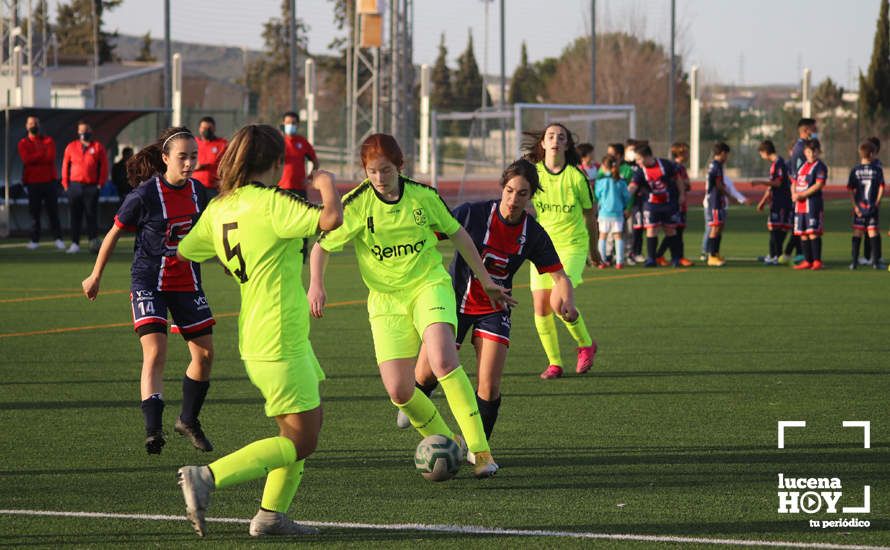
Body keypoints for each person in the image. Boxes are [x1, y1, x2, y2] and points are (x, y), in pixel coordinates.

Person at [308, 133, 513, 478]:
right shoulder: (357, 204)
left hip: (427, 287)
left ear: (400, 167)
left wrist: (485, 279)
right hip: (386, 302)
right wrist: (317, 284)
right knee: (400, 391)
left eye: (385, 170)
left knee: (444, 360)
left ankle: (481, 453)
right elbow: (321, 247)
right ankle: (451, 443)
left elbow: (458, 233)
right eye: (371, 172)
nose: (378, 178)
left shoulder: (423, 197)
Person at [176, 124, 342, 538]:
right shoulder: (270, 203)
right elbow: (331, 219)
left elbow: (187, 249)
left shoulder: (220, 208)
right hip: (279, 334)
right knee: (302, 441)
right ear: (275, 163)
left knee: (307, 422)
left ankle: (271, 517)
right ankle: (207, 477)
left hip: (259, 333)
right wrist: (326, 182)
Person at [404, 159, 576, 444]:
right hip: (453, 302)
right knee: (424, 375)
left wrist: (567, 300)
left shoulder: (532, 233)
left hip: (495, 309)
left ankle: (478, 448)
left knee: (489, 385)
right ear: (502, 188)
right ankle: (422, 392)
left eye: (522, 193)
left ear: (531, 195)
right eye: (509, 191)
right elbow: (428, 238)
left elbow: (560, 276)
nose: (513, 199)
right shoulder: (473, 213)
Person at [81, 127, 215, 456]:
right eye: (183, 157)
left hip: (187, 283)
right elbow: (114, 233)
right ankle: (153, 430)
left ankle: (188, 420)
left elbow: (211, 231)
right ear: (166, 159)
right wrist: (95, 275)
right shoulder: (145, 195)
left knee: (205, 356)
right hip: (149, 282)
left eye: (193, 157)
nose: (189, 163)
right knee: (155, 353)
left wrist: (226, 260)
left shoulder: (199, 191)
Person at [524, 123, 599, 380]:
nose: (556, 140)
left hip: (572, 246)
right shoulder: (532, 175)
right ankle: (555, 363)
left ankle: (585, 343)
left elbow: (590, 215)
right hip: (542, 248)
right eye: (551, 136)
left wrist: (594, 249)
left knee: (558, 303)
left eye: (561, 137)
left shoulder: (576, 178)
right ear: (543, 143)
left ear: (567, 145)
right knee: (541, 308)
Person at [630, 143, 685, 267]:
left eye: (638, 158)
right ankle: (651, 259)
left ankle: (675, 258)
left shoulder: (665, 164)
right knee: (651, 230)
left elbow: (678, 180)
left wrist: (681, 195)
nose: (637, 161)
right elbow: (633, 186)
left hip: (668, 203)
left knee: (670, 230)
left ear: (646, 156)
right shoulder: (640, 171)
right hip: (651, 205)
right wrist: (624, 195)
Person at [62, 120, 109, 254]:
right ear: (78, 132)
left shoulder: (98, 147)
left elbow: (104, 167)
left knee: (91, 215)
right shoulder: (71, 146)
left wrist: (100, 184)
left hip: (91, 186)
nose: (84, 133)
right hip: (75, 186)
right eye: (81, 131)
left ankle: (93, 243)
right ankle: (75, 243)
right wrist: (65, 184)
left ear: (90, 131)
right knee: (75, 215)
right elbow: (65, 165)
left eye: (86, 130)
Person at [18, 115, 64, 250]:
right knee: (34, 213)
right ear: (26, 126)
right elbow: (26, 160)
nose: (33, 125)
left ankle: (58, 239)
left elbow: (50, 157)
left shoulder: (48, 140)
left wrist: (35, 156)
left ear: (39, 125)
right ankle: (34, 240)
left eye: (35, 123)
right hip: (32, 182)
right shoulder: (23, 143)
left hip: (49, 182)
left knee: (53, 212)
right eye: (30, 123)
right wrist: (40, 153)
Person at [751, 140, 792, 265]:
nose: (761, 156)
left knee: (776, 229)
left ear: (765, 152)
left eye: (761, 154)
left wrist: (760, 182)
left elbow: (777, 183)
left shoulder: (778, 164)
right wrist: (763, 201)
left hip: (781, 201)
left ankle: (776, 256)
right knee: (776, 228)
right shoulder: (777, 163)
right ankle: (774, 254)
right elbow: (772, 186)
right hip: (778, 200)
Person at [847, 139, 884, 270]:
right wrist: (878, 201)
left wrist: (855, 205)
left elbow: (850, 189)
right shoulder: (877, 170)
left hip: (860, 207)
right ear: (872, 154)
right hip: (872, 206)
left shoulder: (855, 170)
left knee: (857, 233)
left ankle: (854, 262)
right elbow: (881, 187)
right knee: (873, 232)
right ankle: (875, 262)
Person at [792, 138, 828, 270]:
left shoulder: (820, 166)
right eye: (808, 151)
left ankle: (817, 261)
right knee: (803, 233)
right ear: (805, 152)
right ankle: (807, 260)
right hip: (799, 205)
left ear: (819, 152)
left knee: (813, 232)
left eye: (814, 151)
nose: (811, 154)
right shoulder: (802, 166)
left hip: (812, 204)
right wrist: (793, 194)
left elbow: (819, 184)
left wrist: (803, 194)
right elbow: (794, 181)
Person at [656, 142, 694, 266]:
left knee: (676, 230)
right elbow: (683, 184)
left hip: (677, 203)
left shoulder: (677, 167)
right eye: (687, 152)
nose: (689, 155)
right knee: (676, 230)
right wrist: (684, 186)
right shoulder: (677, 167)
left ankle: (664, 255)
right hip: (676, 203)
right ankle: (675, 256)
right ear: (681, 153)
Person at [594, 155, 631, 269]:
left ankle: (602, 261)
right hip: (618, 213)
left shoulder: (601, 181)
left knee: (602, 236)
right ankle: (619, 262)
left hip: (604, 213)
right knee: (618, 236)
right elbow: (627, 196)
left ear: (604, 166)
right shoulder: (621, 181)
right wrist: (625, 207)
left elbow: (597, 195)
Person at [278, 111, 318, 198]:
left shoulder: (303, 142)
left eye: (293, 123)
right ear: (283, 124)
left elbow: (315, 162)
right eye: (288, 123)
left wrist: (310, 177)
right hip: (282, 187)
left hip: (300, 188)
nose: (290, 125)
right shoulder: (279, 142)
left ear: (298, 124)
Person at [703, 143, 730, 267]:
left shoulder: (716, 165)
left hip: (717, 201)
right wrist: (728, 195)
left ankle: (716, 253)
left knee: (719, 227)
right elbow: (718, 185)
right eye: (727, 154)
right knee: (715, 227)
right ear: (723, 153)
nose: (727, 158)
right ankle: (711, 256)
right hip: (714, 201)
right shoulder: (716, 166)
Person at [193, 116, 228, 199]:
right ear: (199, 129)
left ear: (214, 128)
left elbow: (228, 164)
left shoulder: (222, 144)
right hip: (195, 186)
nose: (207, 130)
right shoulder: (193, 143)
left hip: (213, 187)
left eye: (209, 128)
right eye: (204, 128)